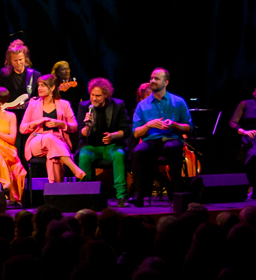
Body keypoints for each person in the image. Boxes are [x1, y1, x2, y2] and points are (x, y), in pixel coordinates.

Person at [131, 66, 193, 202]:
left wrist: (174, 125)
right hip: (151, 141)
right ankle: (138, 195)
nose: (152, 81)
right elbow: (135, 133)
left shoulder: (178, 102)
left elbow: (189, 128)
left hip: (172, 139)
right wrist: (148, 125)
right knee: (138, 151)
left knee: (171, 148)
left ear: (166, 82)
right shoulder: (142, 105)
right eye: (151, 78)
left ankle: (177, 193)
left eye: (157, 78)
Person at [76, 77, 131, 204]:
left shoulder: (118, 105)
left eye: (98, 96)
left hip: (112, 146)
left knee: (119, 154)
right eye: (92, 95)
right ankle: (86, 197)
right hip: (91, 146)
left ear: (106, 95)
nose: (94, 98)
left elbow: (126, 130)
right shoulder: (84, 106)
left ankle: (121, 196)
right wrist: (87, 126)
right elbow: (81, 134)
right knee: (84, 156)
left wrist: (113, 136)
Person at [21, 74, 86, 182]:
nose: (39, 88)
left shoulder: (64, 104)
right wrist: (37, 122)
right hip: (36, 141)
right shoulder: (33, 105)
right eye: (39, 85)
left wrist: (60, 123)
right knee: (49, 138)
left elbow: (74, 127)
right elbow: (22, 128)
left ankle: (54, 189)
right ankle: (74, 168)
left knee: (53, 157)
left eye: (43, 85)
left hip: (59, 141)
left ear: (52, 88)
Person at [1, 39, 38, 110]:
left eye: (20, 60)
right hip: (9, 111)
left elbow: (39, 96)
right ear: (10, 60)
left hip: (28, 111)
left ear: (25, 58)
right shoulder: (4, 73)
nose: (18, 63)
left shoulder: (35, 75)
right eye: (15, 60)